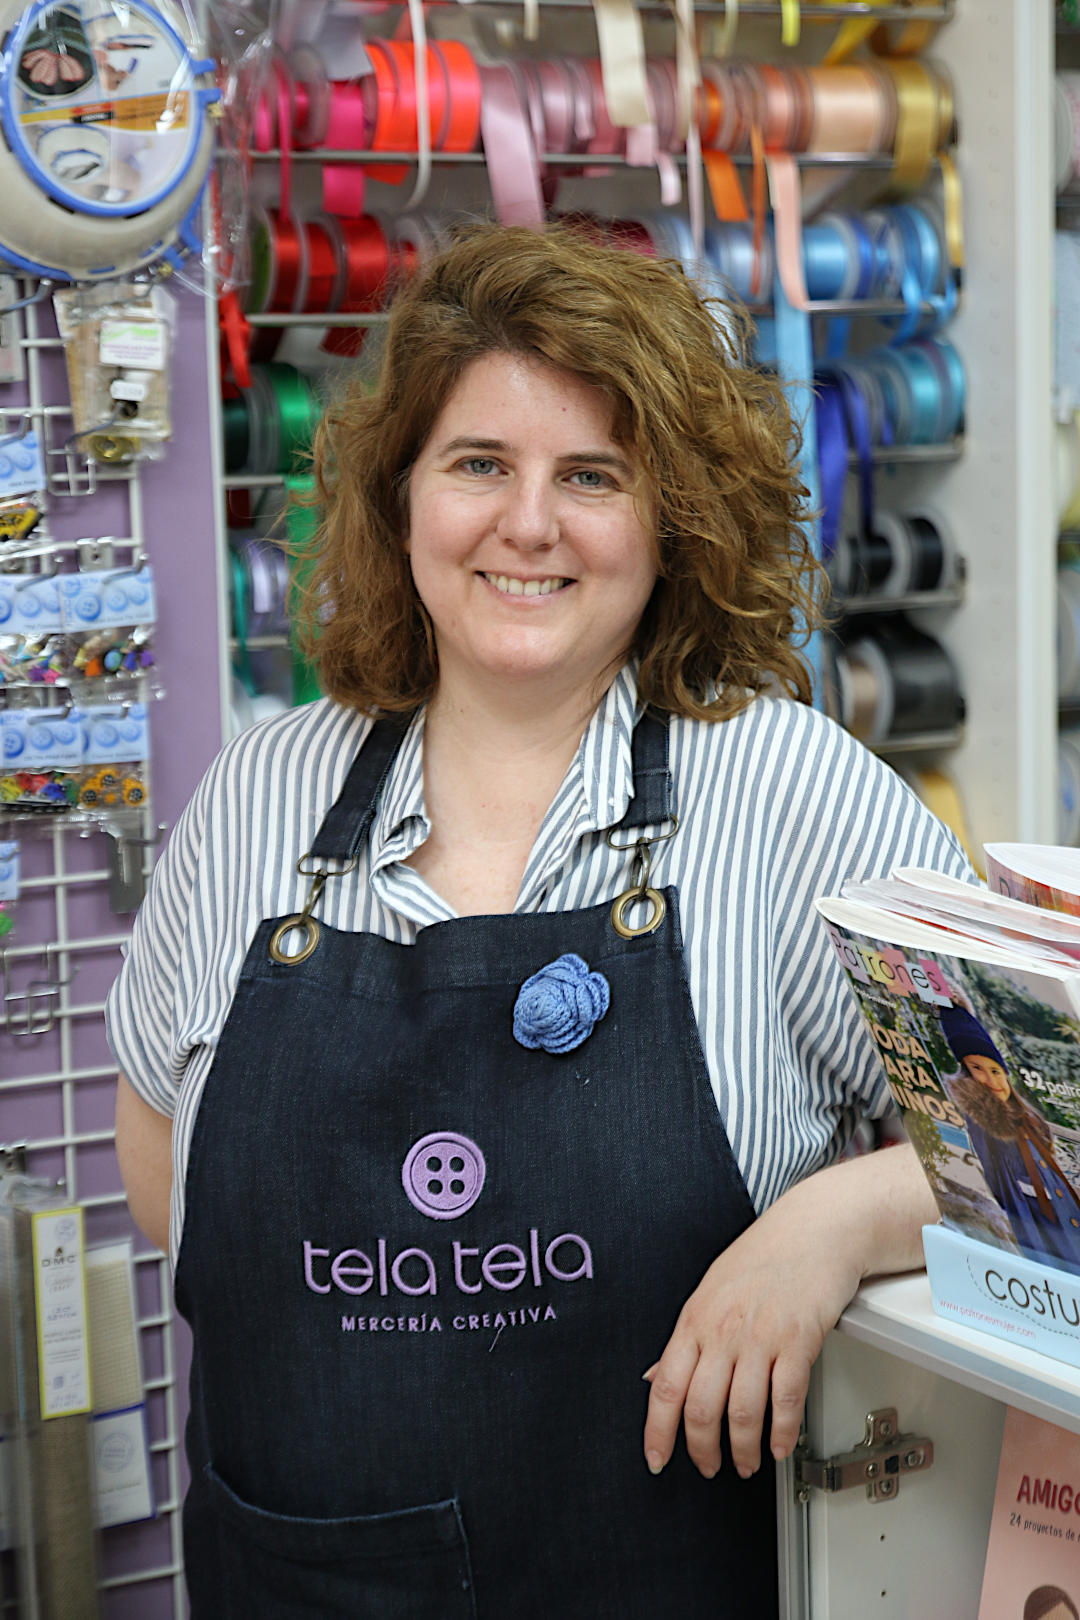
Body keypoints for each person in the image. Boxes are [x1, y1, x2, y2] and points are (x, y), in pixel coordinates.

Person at [109, 223, 973, 1619]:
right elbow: (162, 1158)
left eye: (591, 475)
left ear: (673, 517)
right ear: (400, 496)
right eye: (478, 465)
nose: (528, 524)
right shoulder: (261, 794)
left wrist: (829, 1226)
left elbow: (1035, 1139)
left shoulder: (786, 793)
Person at [939, 1004, 1080, 1269]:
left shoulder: (1026, 1120)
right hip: (1038, 1230)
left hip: (1066, 1218)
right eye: (977, 1068)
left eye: (995, 1071)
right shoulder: (984, 1121)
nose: (990, 1080)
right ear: (966, 1074)